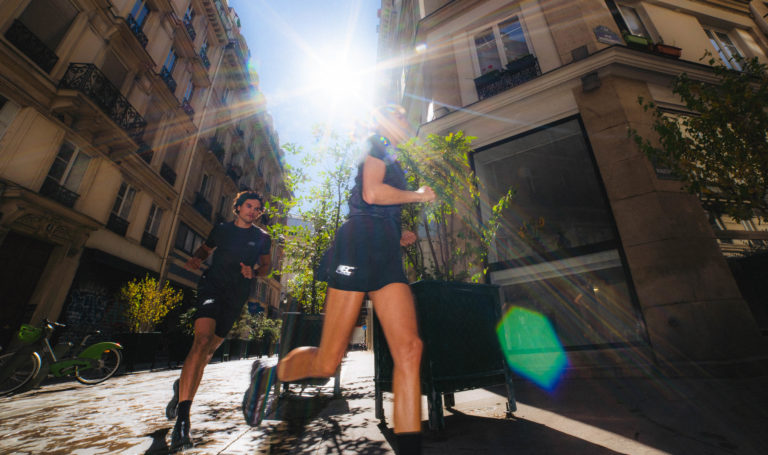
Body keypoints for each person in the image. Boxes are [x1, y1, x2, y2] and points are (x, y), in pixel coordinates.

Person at [243, 105, 435, 455]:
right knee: (327, 363)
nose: (405, 119)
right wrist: (418, 195)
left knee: (410, 350)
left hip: (386, 255)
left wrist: (399, 232)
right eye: (398, 114)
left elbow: (375, 206)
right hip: (357, 248)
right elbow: (372, 194)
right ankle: (268, 374)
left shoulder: (392, 157)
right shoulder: (375, 143)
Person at [166, 191, 272, 452]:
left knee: (208, 352)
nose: (253, 211)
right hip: (211, 287)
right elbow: (206, 248)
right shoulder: (222, 230)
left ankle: (181, 386)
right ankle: (183, 419)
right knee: (201, 341)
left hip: (236, 296)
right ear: (238, 207)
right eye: (249, 206)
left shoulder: (262, 237)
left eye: (257, 209)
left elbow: (267, 266)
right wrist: (197, 258)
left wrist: (254, 271)